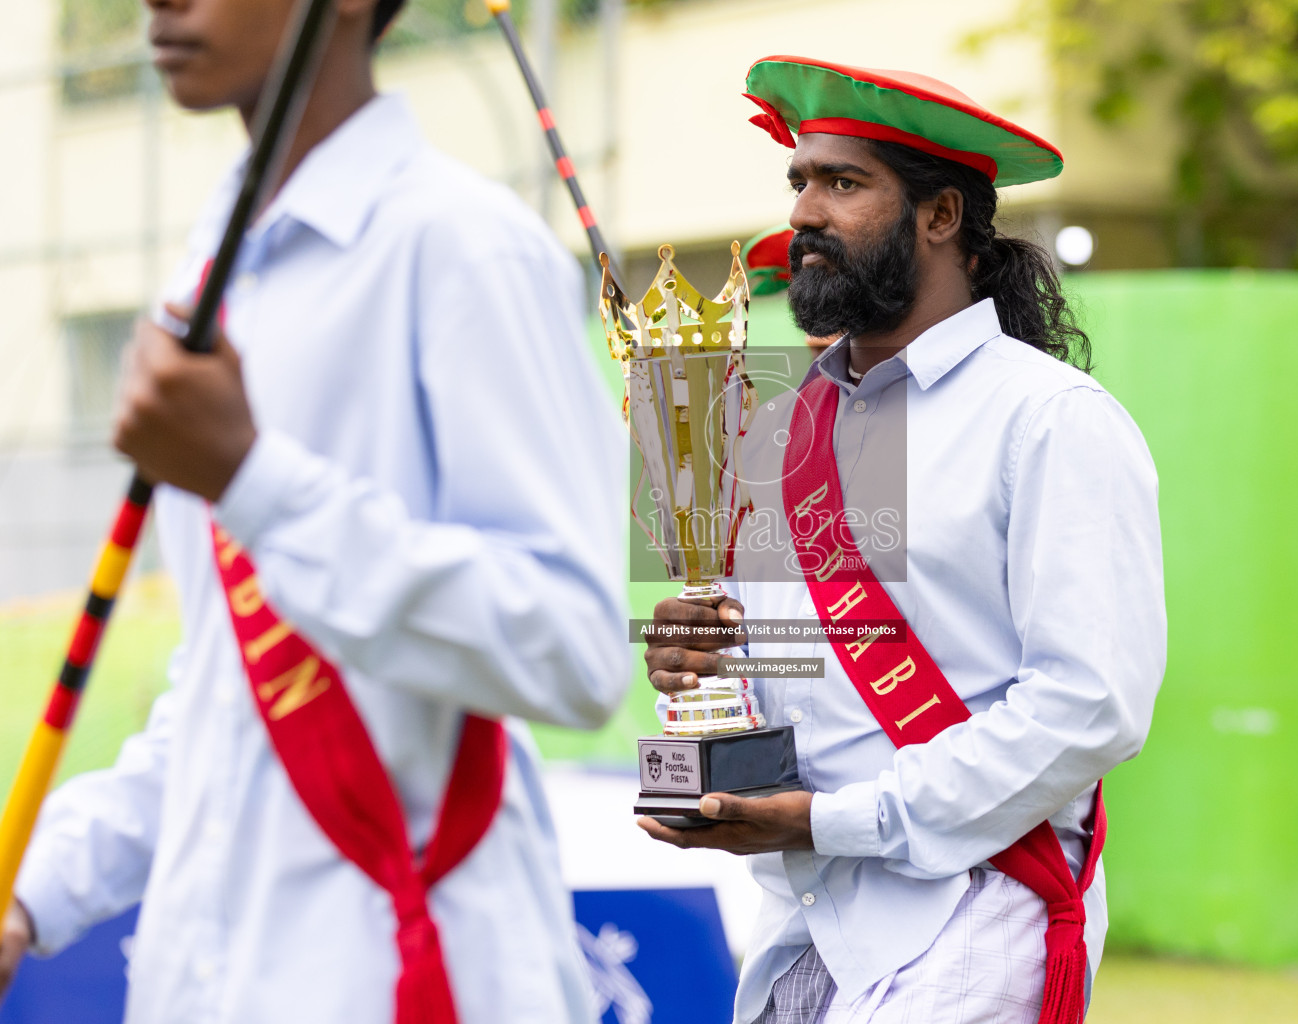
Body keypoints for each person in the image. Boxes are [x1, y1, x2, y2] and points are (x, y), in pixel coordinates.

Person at [0, 0, 628, 1018]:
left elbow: (576, 643)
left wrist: (253, 478)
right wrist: (35, 887)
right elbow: (227, 702)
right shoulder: (207, 278)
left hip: (406, 976)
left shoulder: (466, 247)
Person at [640, 56, 1165, 1024]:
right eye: (798, 181)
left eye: (842, 182)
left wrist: (843, 818)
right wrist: (704, 656)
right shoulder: (777, 429)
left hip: (972, 910)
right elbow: (819, 660)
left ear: (940, 216)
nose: (802, 211)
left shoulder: (1048, 418)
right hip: (805, 914)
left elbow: (1093, 704)